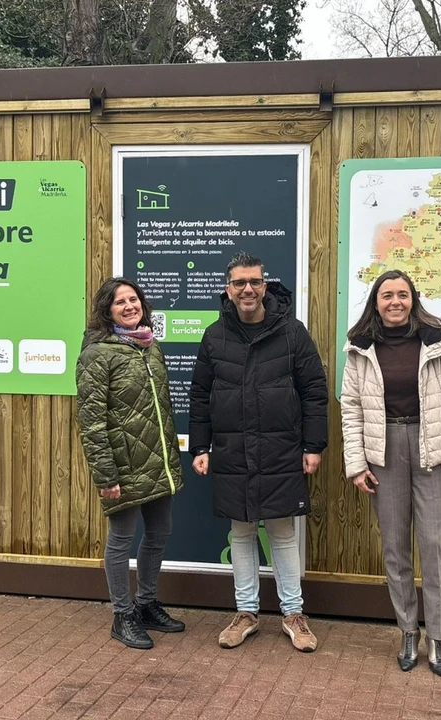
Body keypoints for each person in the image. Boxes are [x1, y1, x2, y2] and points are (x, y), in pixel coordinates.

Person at [189, 252, 329, 653]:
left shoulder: (292, 332)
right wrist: (200, 445)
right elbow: (199, 395)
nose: (247, 289)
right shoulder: (215, 336)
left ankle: (293, 615)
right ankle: (246, 612)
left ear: (265, 286)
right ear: (228, 289)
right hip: (233, 449)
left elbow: (314, 391)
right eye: (239, 283)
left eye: (254, 282)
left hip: (282, 449)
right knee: (242, 531)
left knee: (283, 533)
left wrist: (313, 445)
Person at [339, 269, 441, 677]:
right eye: (386, 295)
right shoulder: (360, 347)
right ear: (375, 302)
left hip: (431, 447)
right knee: (395, 548)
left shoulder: (435, 341)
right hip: (385, 451)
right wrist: (357, 463)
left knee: (433, 546)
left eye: (402, 294)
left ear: (413, 298)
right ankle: (407, 631)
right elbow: (350, 407)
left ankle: (438, 636)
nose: (395, 301)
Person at [75, 277, 186, 650]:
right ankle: (122, 615)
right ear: (107, 310)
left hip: (156, 462)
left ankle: (147, 604)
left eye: (133, 299)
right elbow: (91, 421)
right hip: (122, 466)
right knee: (121, 540)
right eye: (119, 301)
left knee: (159, 533)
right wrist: (105, 474)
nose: (129, 306)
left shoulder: (150, 348)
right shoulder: (97, 354)